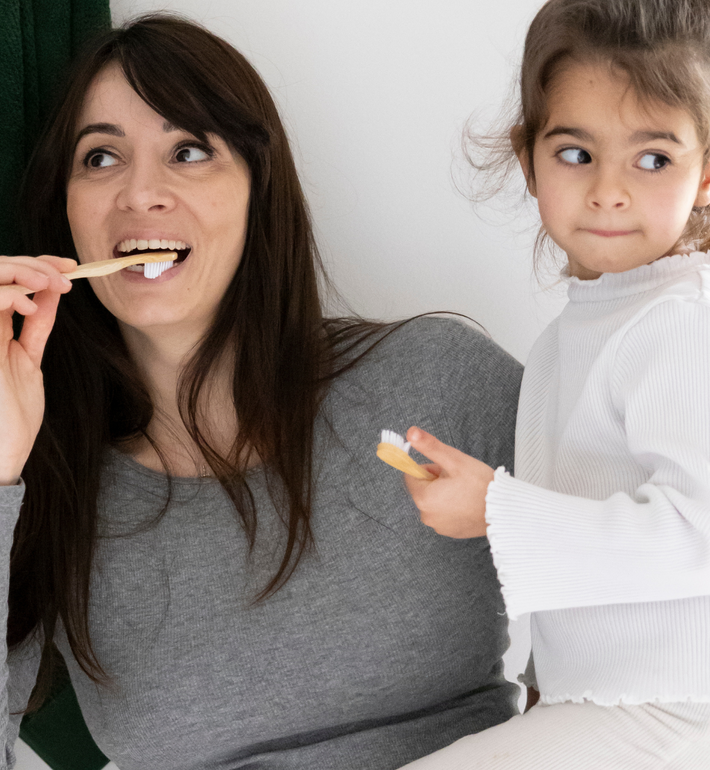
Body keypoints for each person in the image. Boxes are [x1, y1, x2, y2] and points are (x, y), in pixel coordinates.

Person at [0, 14, 524, 770]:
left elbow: (654, 572)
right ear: (66, 215)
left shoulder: (437, 380)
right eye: (101, 157)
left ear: (258, 188)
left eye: (187, 151)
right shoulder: (50, 482)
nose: (140, 192)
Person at [398, 0, 710, 767]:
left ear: (706, 174)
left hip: (677, 709)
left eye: (653, 158)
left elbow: (699, 532)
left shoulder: (678, 322)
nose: (609, 191)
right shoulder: (567, 337)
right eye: (576, 154)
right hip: (608, 703)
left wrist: (498, 511)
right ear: (529, 158)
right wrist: (541, 686)